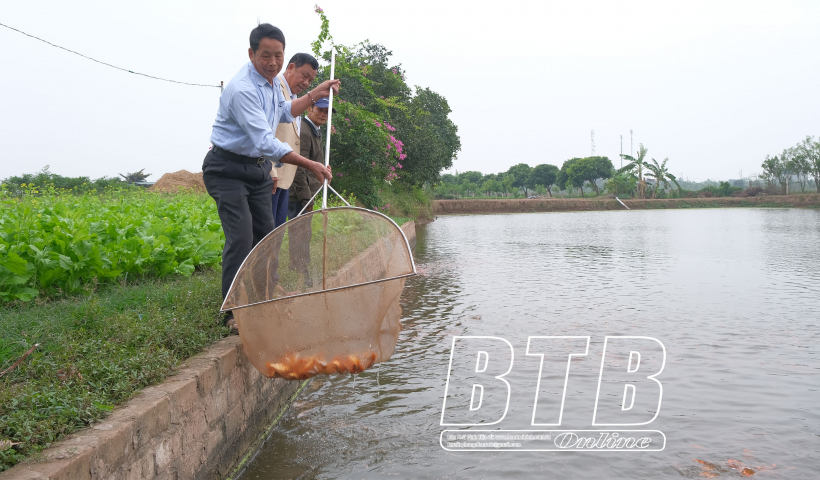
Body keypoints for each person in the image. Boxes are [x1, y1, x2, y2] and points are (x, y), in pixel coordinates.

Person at [203, 23, 339, 333]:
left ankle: (262, 301)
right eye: (266, 55)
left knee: (266, 237)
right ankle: (232, 311)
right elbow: (266, 142)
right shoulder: (242, 89)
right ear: (251, 53)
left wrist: (314, 94)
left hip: (257, 170)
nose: (273, 62)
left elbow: (284, 111)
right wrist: (310, 164)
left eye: (278, 55)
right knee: (241, 237)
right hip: (227, 169)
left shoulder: (272, 83)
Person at [286, 98, 334, 285]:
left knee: (304, 233)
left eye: (327, 112)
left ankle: (297, 266)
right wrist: (307, 198)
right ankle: (301, 270)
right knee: (300, 233)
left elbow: (314, 163)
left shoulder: (315, 130)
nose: (324, 114)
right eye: (320, 110)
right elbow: (299, 167)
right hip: (298, 193)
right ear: (310, 109)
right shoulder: (305, 131)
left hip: (308, 192)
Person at [270, 53, 319, 227]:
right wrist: (270, 170)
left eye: (310, 81)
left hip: (285, 180)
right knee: (265, 234)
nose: (306, 83)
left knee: (276, 232)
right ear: (290, 68)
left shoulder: (294, 98)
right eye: (304, 76)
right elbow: (265, 133)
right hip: (272, 177)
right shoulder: (274, 88)